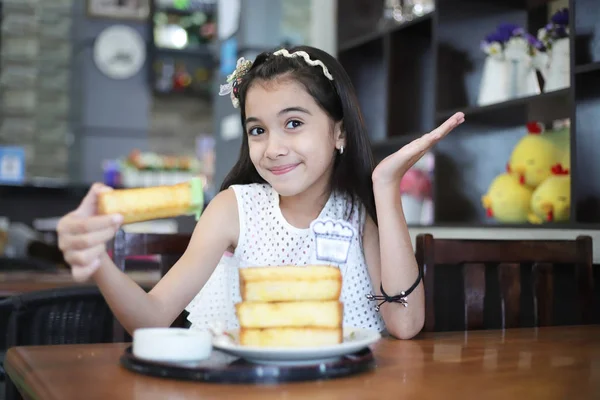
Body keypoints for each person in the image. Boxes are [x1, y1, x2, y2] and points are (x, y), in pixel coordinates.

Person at [56, 45, 465, 340]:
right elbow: (150, 318)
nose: (273, 148)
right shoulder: (233, 208)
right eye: (258, 130)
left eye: (293, 124)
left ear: (339, 131)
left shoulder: (358, 216)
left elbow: (405, 325)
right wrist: (97, 262)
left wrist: (386, 186)